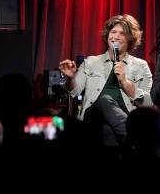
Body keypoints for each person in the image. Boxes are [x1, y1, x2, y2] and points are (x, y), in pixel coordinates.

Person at [58, 14, 153, 144]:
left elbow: (148, 103)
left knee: (107, 131)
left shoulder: (140, 65)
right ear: (108, 35)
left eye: (122, 33)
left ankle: (129, 142)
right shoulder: (91, 62)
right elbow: (73, 92)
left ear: (130, 38)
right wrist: (71, 78)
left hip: (124, 116)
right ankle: (135, 141)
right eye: (113, 32)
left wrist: (125, 82)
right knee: (104, 100)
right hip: (93, 115)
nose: (116, 36)